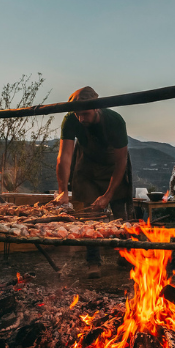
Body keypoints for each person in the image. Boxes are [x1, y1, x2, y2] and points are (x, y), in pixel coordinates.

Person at [55, 86, 133, 278]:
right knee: (89, 215)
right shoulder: (70, 120)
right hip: (87, 167)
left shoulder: (114, 121)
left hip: (114, 166)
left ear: (97, 108)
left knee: (121, 216)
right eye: (78, 114)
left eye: (86, 114)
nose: (82, 119)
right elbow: (64, 156)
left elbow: (121, 160)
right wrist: (62, 190)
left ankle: (126, 255)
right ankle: (93, 261)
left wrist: (108, 195)